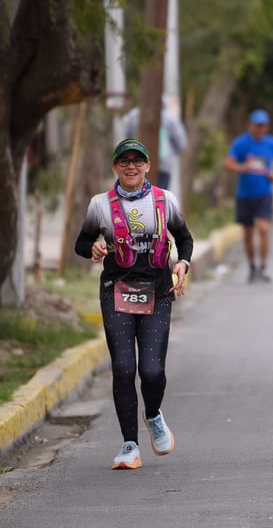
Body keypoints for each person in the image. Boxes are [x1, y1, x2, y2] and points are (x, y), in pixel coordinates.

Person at [74, 138, 194, 470]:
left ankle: (153, 414)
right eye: (124, 161)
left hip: (157, 290)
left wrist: (182, 263)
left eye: (137, 161)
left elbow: (184, 237)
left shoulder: (164, 200)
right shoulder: (100, 204)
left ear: (147, 166)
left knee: (152, 371)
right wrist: (94, 248)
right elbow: (81, 243)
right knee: (124, 368)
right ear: (114, 167)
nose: (131, 166)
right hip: (116, 290)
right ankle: (129, 445)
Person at [223, 109, 273, 283]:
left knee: (264, 228)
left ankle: (264, 266)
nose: (259, 128)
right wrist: (243, 167)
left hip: (265, 193)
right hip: (245, 194)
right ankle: (252, 266)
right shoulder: (241, 143)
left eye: (263, 125)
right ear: (251, 125)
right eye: (257, 125)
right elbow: (228, 163)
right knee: (248, 233)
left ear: (267, 126)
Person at [122, 99, 188, 190]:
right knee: (160, 196)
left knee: (138, 195)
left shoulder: (133, 116)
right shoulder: (169, 118)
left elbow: (126, 139)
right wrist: (171, 153)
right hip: (163, 165)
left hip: (137, 164)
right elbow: (181, 143)